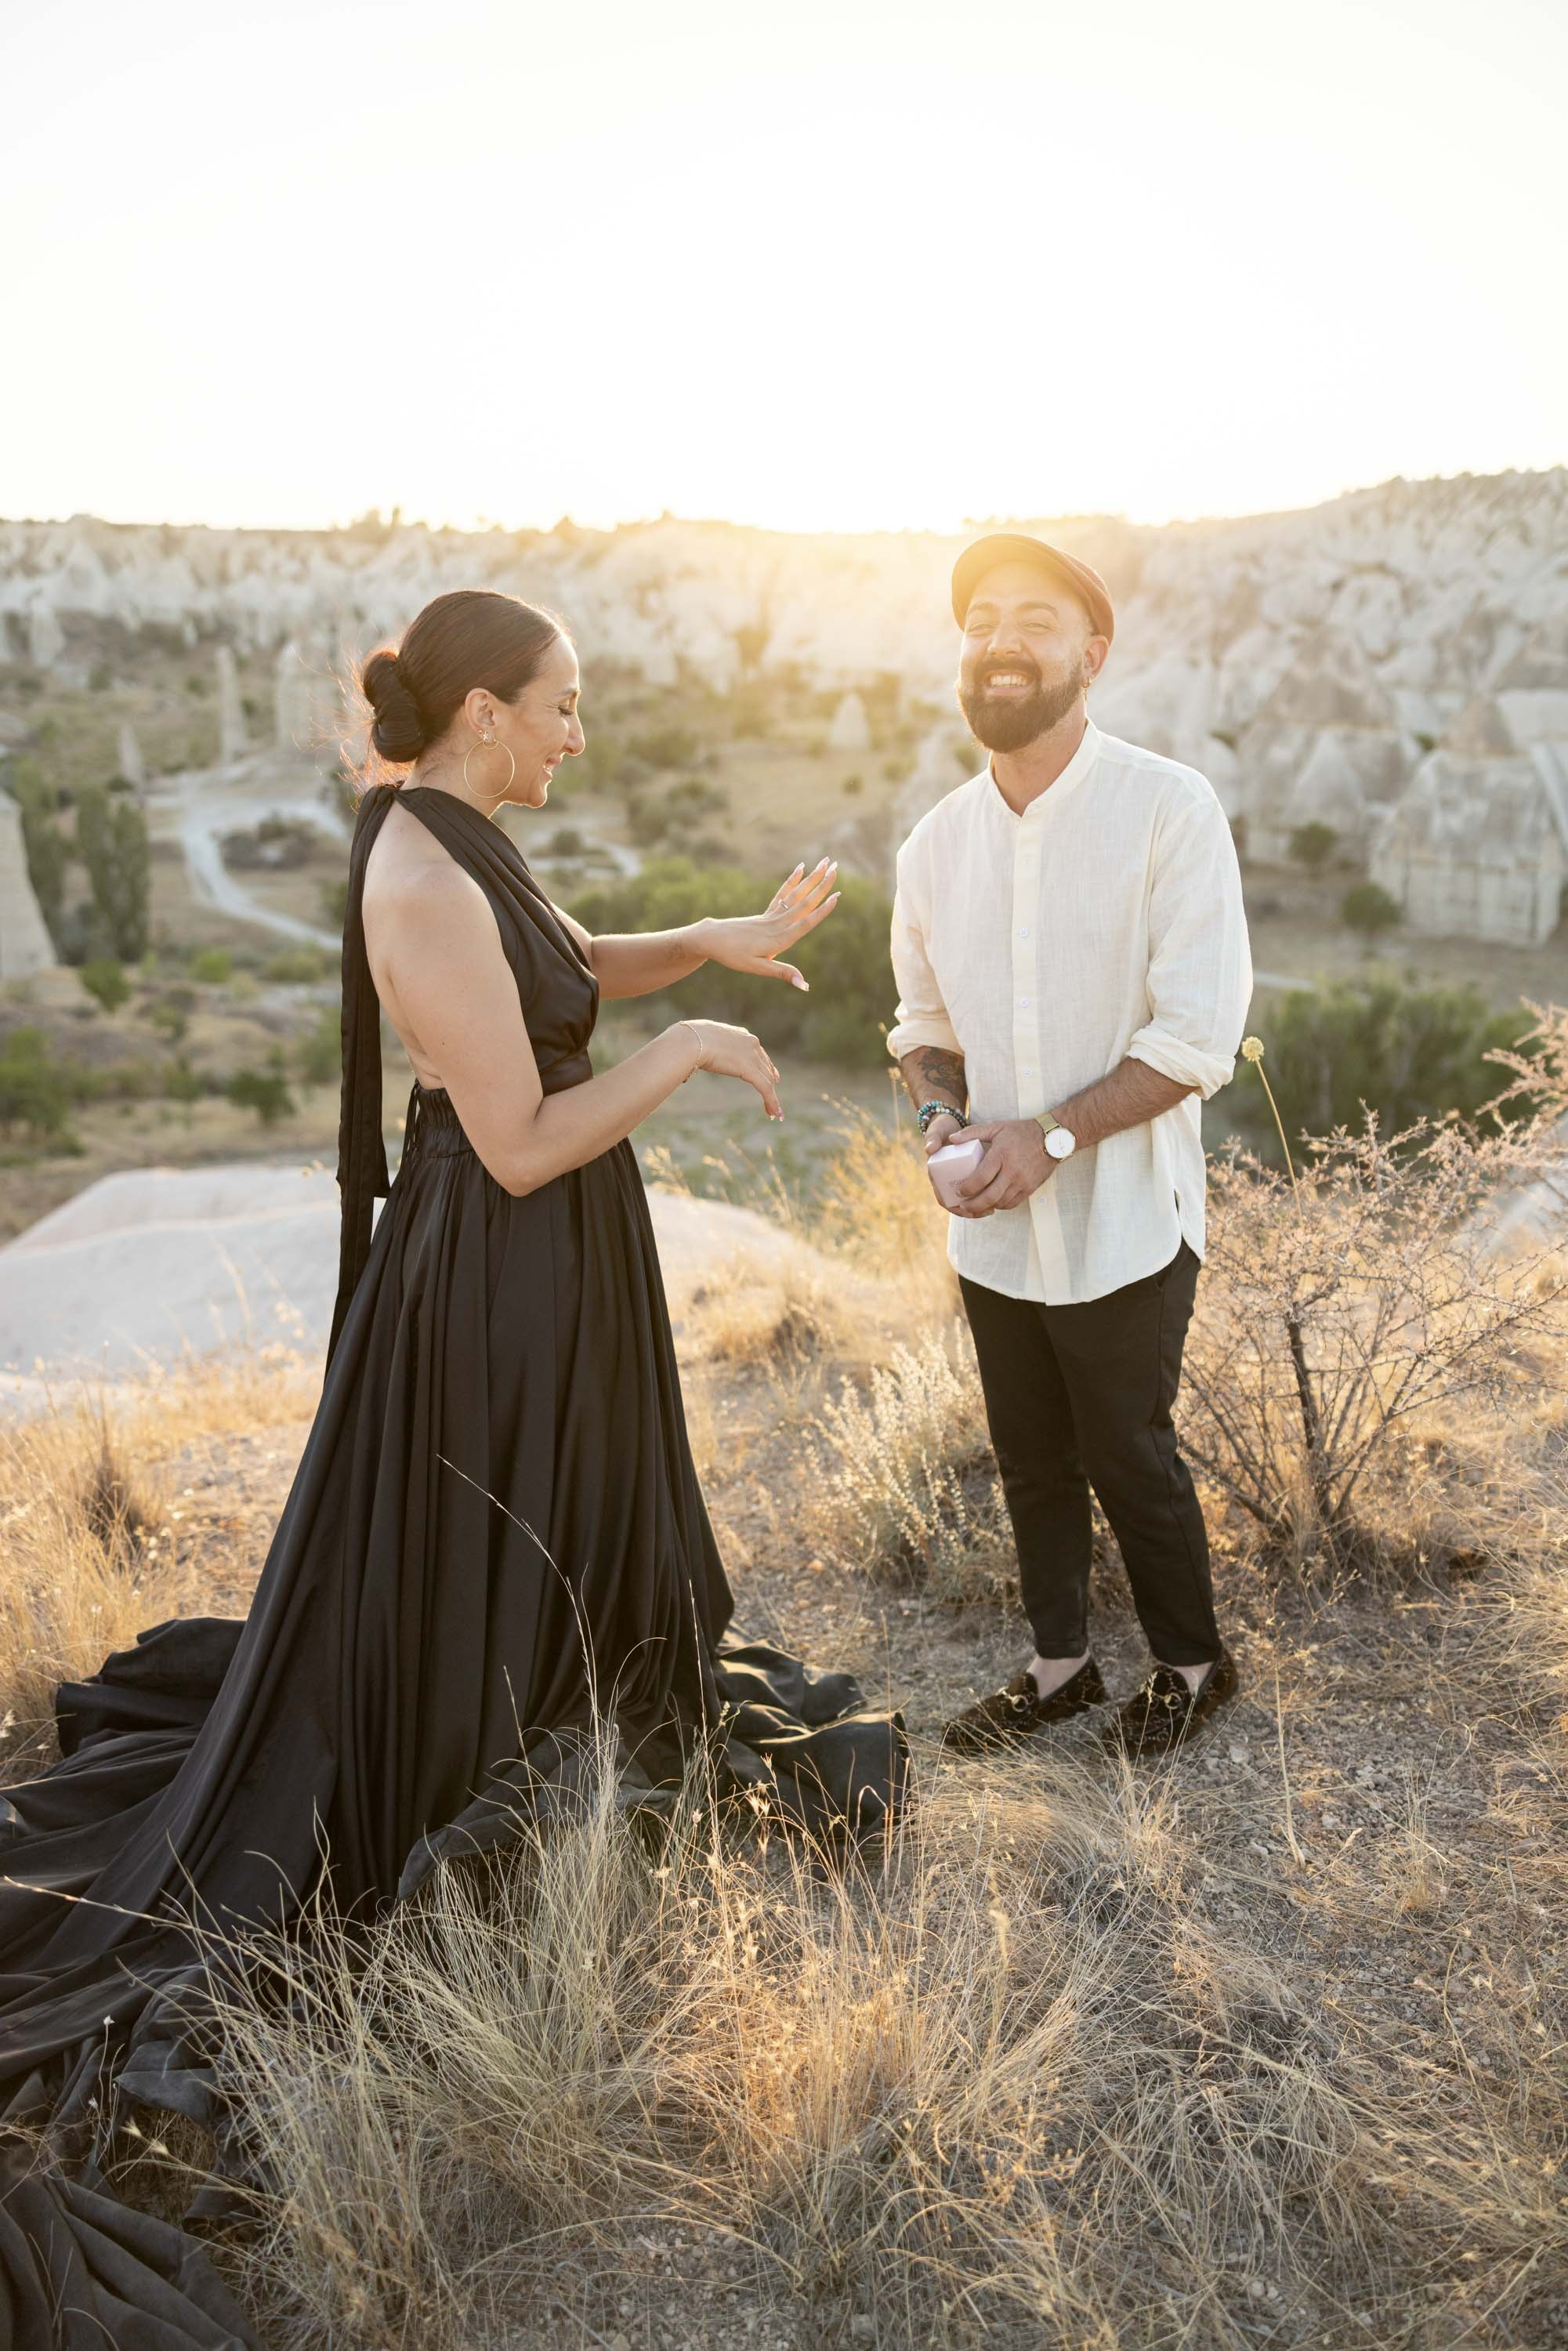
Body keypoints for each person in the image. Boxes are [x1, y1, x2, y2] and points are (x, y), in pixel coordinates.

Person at [0, 589, 906, 2347]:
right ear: (486, 710)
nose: (579, 732)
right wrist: (694, 1054)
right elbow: (518, 1136)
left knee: (560, 1549)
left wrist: (709, 941)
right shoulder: (415, 876)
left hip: (548, 1271)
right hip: (498, 1275)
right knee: (491, 1557)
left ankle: (550, 1716)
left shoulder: (463, 833)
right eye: (563, 705)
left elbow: (557, 972)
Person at [889, 534, 1252, 1760]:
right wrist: (942, 1123)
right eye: (980, 618)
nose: (1000, 640)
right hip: (993, 1225)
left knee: (1127, 1452)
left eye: (1033, 620)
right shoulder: (934, 842)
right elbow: (920, 1030)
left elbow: (1198, 1034)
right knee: (1028, 1457)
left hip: (1126, 1215)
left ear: (1089, 655)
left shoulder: (1166, 807)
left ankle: (1195, 1669)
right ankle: (1059, 1672)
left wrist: (1049, 1137)